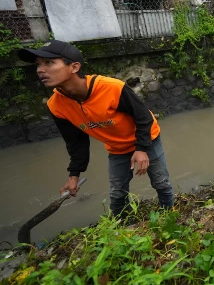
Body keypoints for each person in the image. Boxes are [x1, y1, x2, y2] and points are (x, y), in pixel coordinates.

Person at [18, 40, 174, 216]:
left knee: (161, 183)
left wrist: (141, 148)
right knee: (117, 194)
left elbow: (143, 117)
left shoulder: (111, 88)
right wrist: (73, 176)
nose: (40, 69)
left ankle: (169, 217)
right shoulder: (56, 105)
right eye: (38, 64)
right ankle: (124, 228)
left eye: (49, 62)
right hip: (117, 149)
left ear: (74, 67)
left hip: (147, 139)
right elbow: (76, 142)